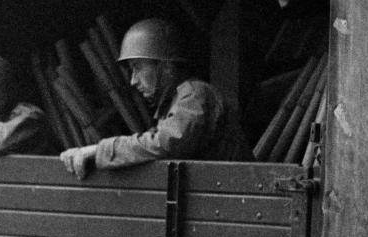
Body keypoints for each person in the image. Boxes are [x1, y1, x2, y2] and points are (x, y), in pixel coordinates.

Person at [60, 18, 251, 179]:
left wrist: (98, 150)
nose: (133, 81)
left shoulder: (195, 94)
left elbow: (166, 142)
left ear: (166, 67)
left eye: (138, 67)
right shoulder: (175, 103)